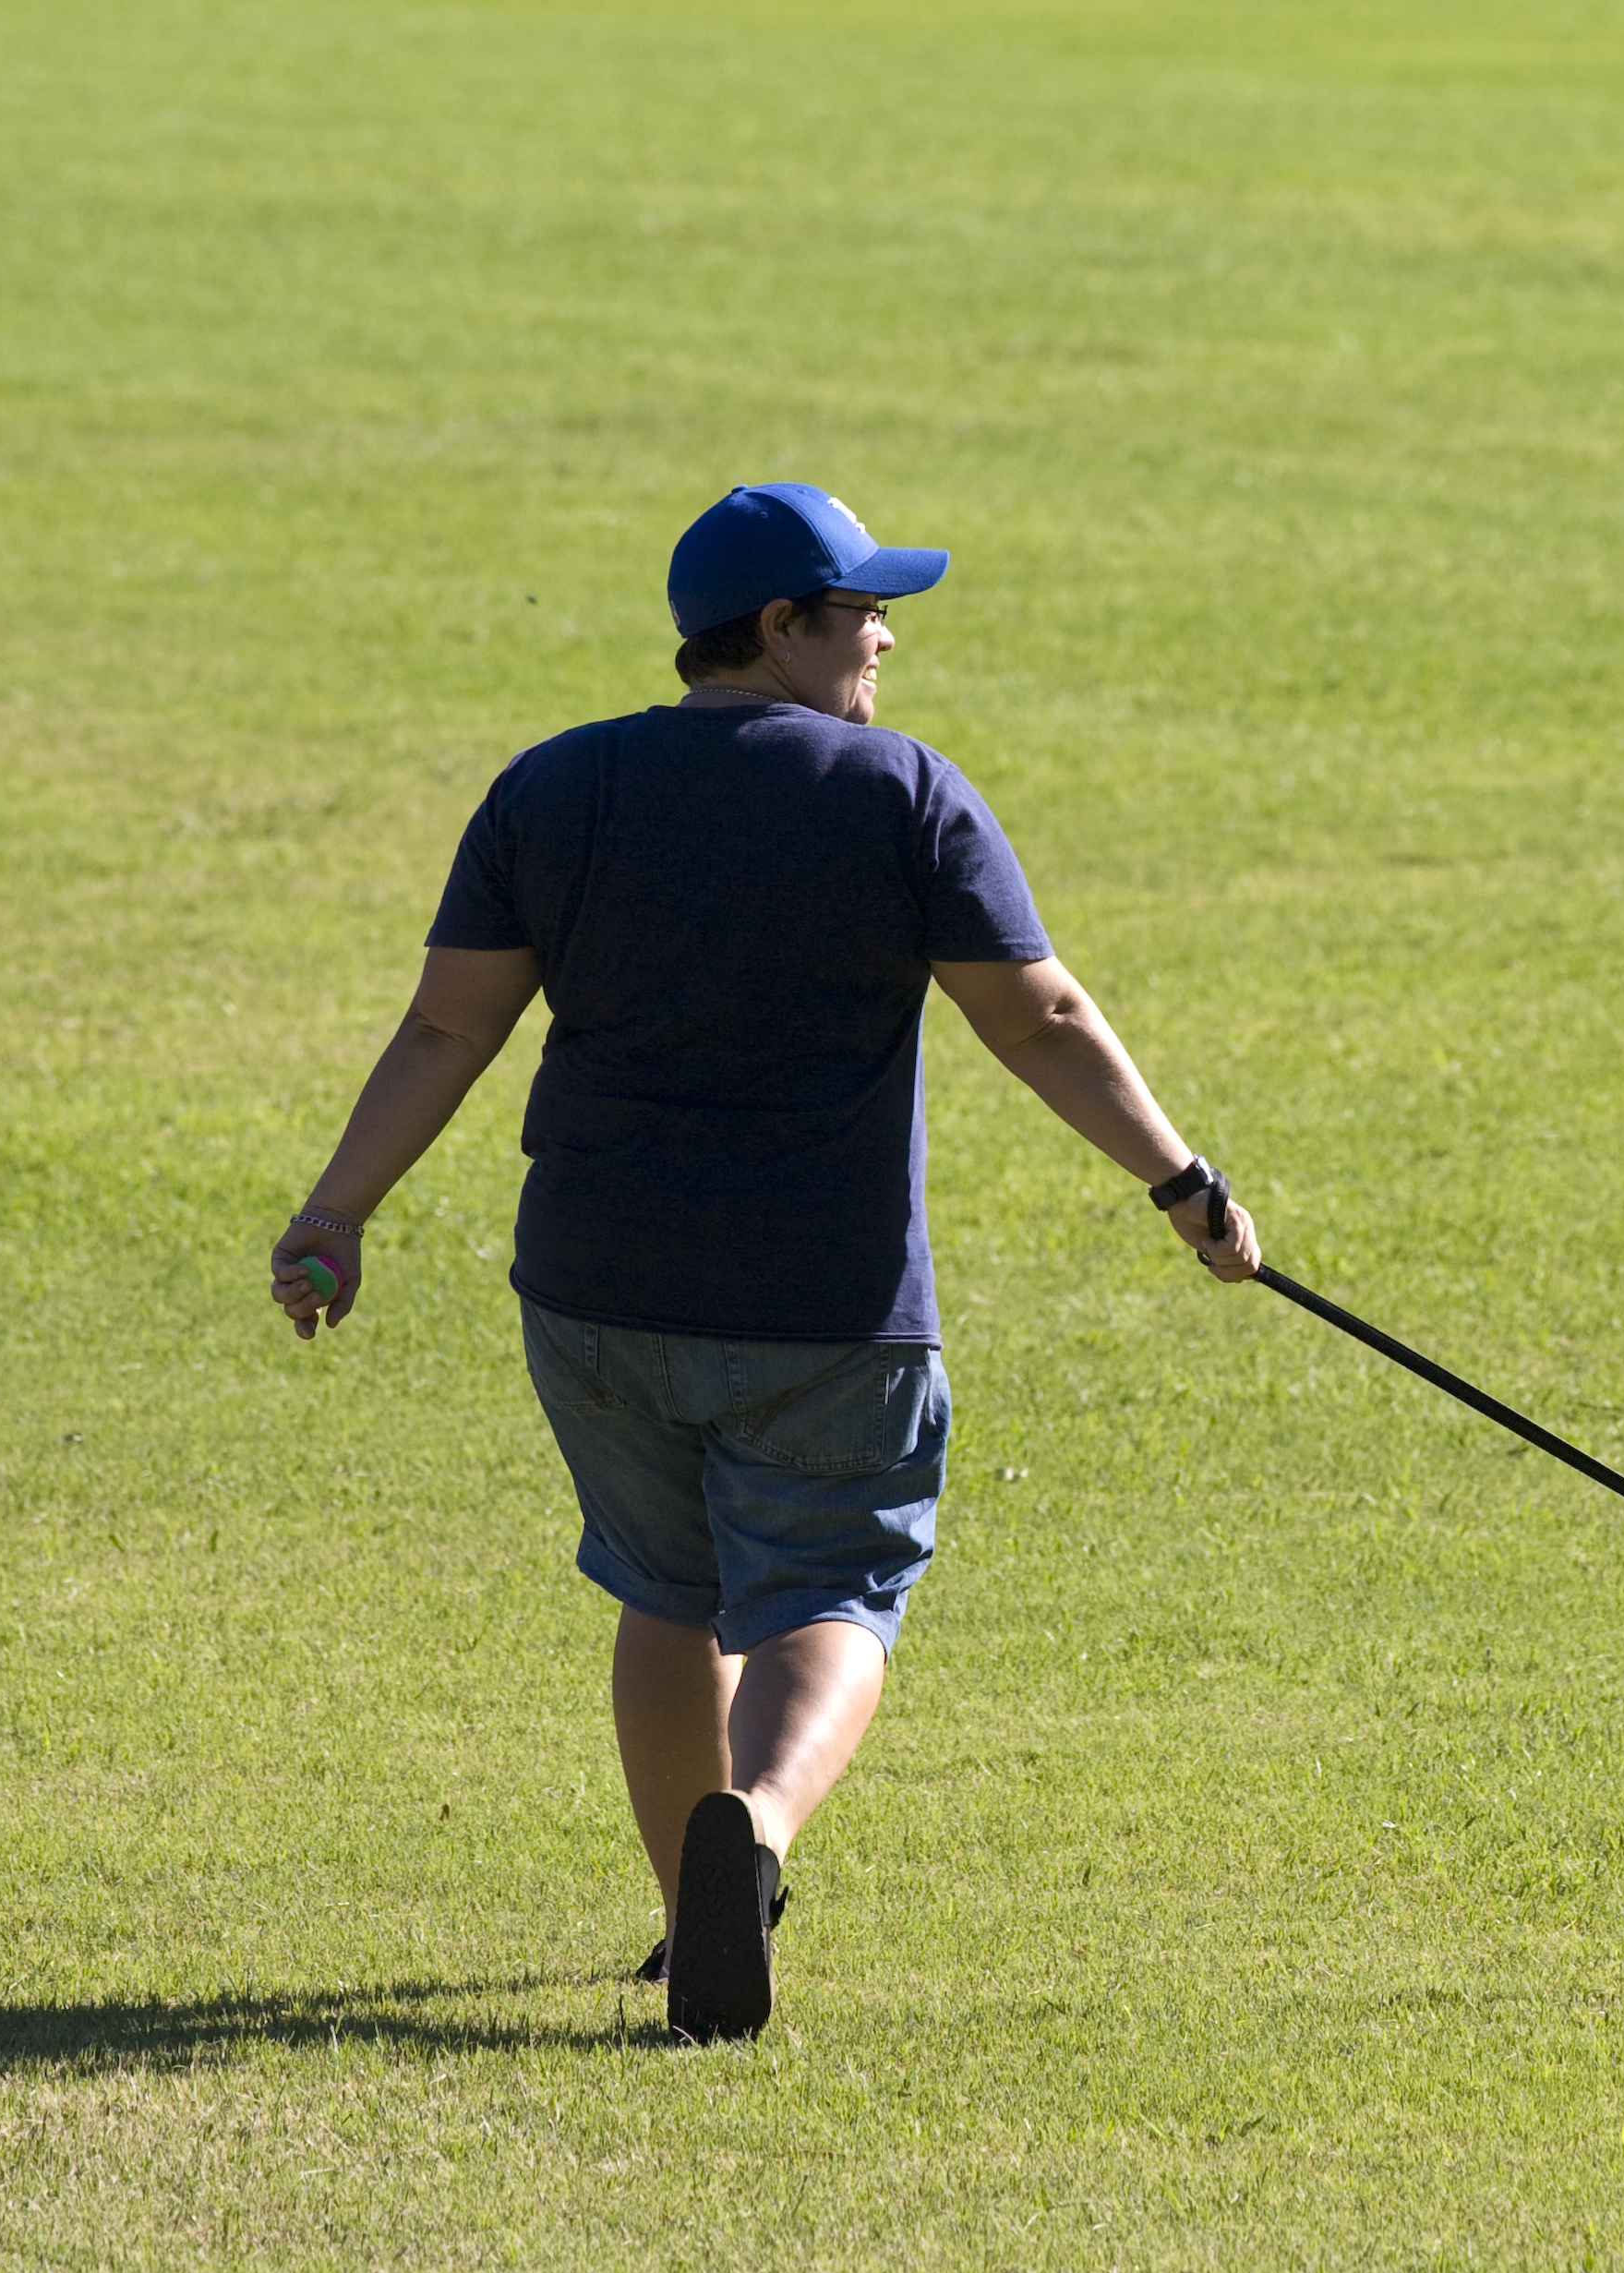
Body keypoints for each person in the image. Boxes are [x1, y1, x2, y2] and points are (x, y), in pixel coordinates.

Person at [269, 483, 1257, 2042]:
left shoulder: (555, 787)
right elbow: (1040, 1021)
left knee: (665, 1590)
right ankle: (764, 1831)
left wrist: (337, 1212)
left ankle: (688, 1914)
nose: (882, 641)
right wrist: (1181, 1183)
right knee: (833, 1588)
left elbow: (448, 1025)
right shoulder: (901, 794)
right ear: (776, 628)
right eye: (861, 611)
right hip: (827, 1308)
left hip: (594, 1293)